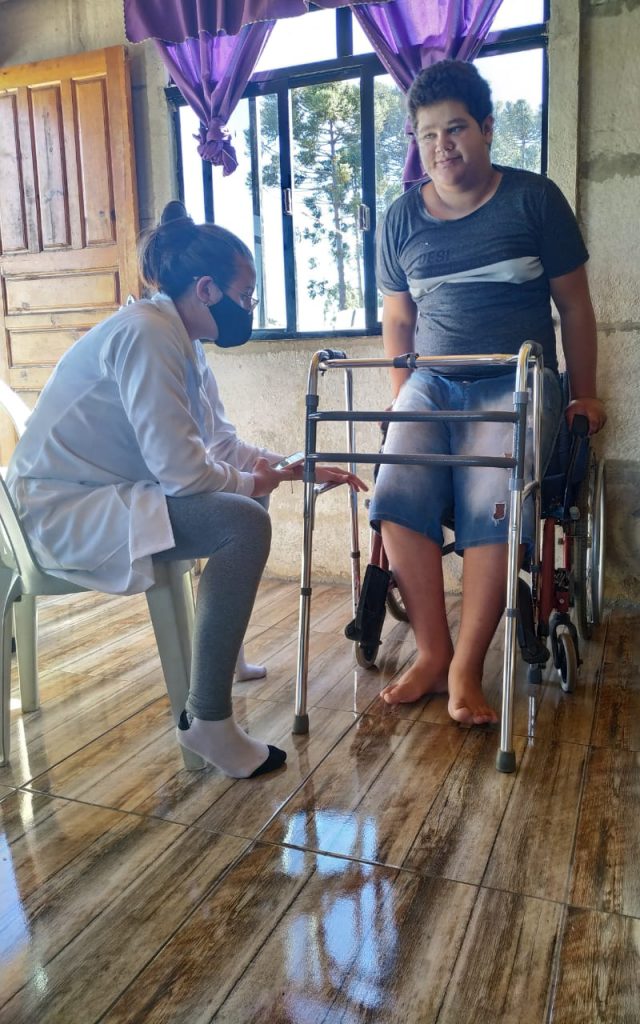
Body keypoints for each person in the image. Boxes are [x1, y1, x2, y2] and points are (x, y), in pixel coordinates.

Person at [6, 201, 366, 778]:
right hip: (59, 512)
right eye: (245, 295)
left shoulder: (181, 339)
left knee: (245, 499)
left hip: (104, 495)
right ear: (206, 289)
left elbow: (220, 443)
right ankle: (209, 720)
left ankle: (223, 654)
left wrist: (291, 466)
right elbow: (184, 475)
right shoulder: (147, 336)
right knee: (242, 521)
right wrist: (256, 480)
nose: (249, 308)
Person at [369, 60, 606, 726]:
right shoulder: (400, 219)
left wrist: (585, 394)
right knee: (396, 491)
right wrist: (402, 395)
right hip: (431, 381)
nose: (441, 146)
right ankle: (433, 652)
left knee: (488, 497)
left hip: (516, 380)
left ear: (487, 128)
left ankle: (468, 667)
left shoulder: (534, 200)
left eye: (455, 129)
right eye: (427, 135)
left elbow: (575, 307)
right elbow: (397, 319)